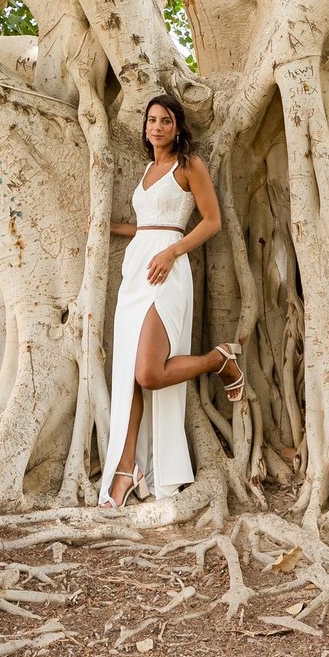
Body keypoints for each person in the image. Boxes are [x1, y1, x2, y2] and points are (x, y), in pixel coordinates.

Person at [99, 95, 241, 507]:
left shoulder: (188, 166)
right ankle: (127, 469)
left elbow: (212, 222)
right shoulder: (147, 169)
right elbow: (146, 226)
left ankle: (220, 359)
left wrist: (172, 252)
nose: (157, 127)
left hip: (168, 272)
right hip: (136, 274)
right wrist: (108, 227)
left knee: (148, 373)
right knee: (129, 374)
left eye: (165, 121)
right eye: (151, 120)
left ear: (177, 127)